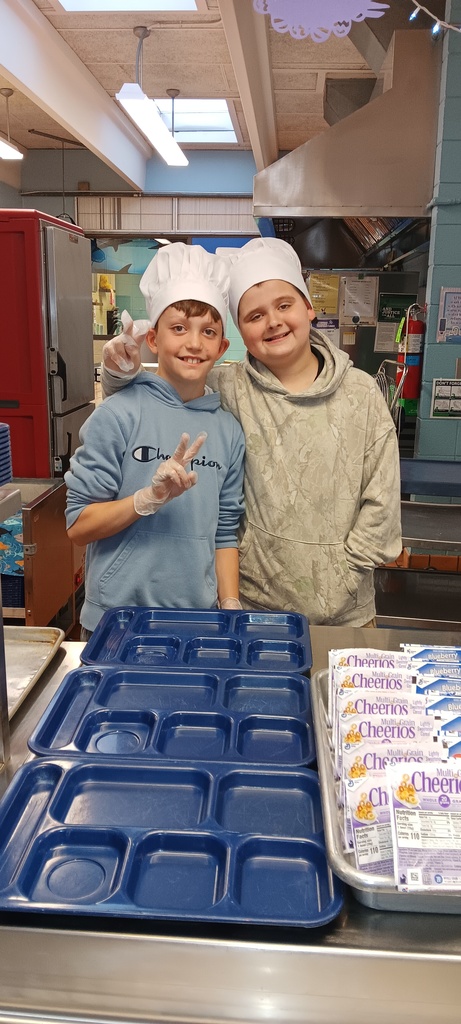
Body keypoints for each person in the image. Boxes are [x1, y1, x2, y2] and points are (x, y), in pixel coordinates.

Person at [101, 237, 402, 627]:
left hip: (347, 616)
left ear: (309, 308)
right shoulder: (227, 388)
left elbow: (382, 500)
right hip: (252, 610)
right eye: (254, 315)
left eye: (284, 305)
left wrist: (343, 577)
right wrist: (117, 373)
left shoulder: (360, 392)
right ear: (239, 333)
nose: (273, 321)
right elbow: (154, 402)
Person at [66, 242, 245, 636]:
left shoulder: (228, 431)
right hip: (114, 623)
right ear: (153, 339)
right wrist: (145, 500)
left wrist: (229, 605)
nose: (194, 343)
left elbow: (225, 532)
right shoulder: (118, 414)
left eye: (208, 331)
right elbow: (78, 525)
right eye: (178, 328)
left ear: (222, 347)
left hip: (195, 624)